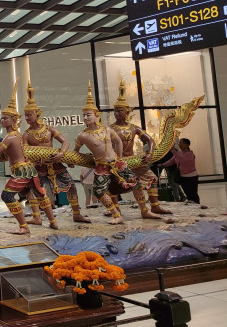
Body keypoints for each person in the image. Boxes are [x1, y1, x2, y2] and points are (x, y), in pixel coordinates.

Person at [0, 80, 57, 235]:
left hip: (22, 170)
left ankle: (24, 226)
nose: (2, 121)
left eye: (5, 118)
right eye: (1, 118)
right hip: (28, 169)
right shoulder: (19, 135)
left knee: (7, 195)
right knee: (40, 194)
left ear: (14, 120)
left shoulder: (10, 137)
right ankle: (53, 222)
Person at [74, 82, 160, 224]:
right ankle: (116, 215)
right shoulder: (82, 135)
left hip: (119, 163)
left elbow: (119, 142)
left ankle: (146, 210)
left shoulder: (107, 130)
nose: (85, 118)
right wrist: (79, 160)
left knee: (137, 184)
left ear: (97, 115)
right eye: (83, 116)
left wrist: (119, 158)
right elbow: (75, 152)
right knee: (100, 191)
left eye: (88, 115)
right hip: (102, 166)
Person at [22, 82, 90, 224]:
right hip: (38, 166)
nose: (27, 118)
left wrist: (62, 153)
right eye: (25, 116)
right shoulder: (26, 135)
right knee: (32, 190)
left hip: (56, 163)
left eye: (29, 115)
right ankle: (36, 217)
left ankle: (76, 213)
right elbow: (25, 153)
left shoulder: (49, 129)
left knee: (71, 186)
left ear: (37, 114)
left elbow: (65, 142)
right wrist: (34, 161)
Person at [112, 79, 172, 215]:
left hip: (134, 160)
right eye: (115, 111)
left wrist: (150, 153)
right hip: (117, 162)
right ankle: (115, 209)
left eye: (120, 111)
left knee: (153, 179)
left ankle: (154, 206)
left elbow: (150, 140)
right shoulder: (110, 129)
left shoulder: (134, 128)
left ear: (127, 112)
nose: (117, 113)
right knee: (112, 185)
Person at [162, 138, 199, 204]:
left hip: (192, 176)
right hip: (182, 176)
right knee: (187, 192)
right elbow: (172, 161)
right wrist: (163, 164)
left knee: (193, 193)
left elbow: (182, 159)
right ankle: (191, 204)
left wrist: (173, 150)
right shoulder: (179, 153)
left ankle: (197, 204)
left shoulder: (190, 154)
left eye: (182, 143)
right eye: (179, 142)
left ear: (187, 145)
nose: (180, 144)